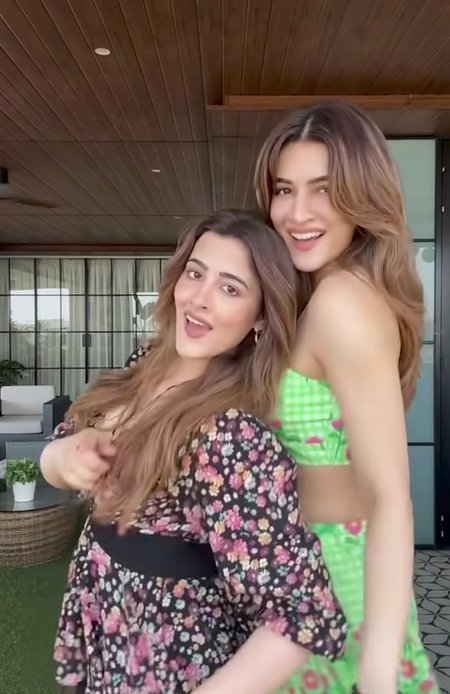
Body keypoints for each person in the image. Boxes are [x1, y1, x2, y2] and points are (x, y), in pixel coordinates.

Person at [41, 210, 347, 694]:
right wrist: (63, 458)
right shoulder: (145, 363)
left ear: (260, 317)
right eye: (195, 273)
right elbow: (58, 452)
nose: (199, 298)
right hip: (104, 621)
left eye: (230, 288)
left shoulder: (230, 435)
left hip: (166, 660)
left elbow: (302, 614)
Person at [253, 102, 438, 694]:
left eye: (324, 189)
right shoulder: (320, 294)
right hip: (298, 580)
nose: (297, 213)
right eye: (284, 190)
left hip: (336, 586)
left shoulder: (342, 304)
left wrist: (377, 673)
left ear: (364, 195)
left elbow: (390, 497)